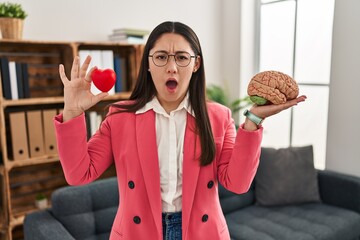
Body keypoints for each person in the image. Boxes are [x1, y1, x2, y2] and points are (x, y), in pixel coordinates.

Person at [55, 21, 306, 240]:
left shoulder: (218, 117)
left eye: (182, 57)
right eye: (161, 57)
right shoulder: (120, 117)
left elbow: (238, 184)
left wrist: (253, 120)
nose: (171, 67)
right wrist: (72, 112)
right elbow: (79, 174)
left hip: (202, 233)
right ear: (149, 64)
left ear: (196, 64)